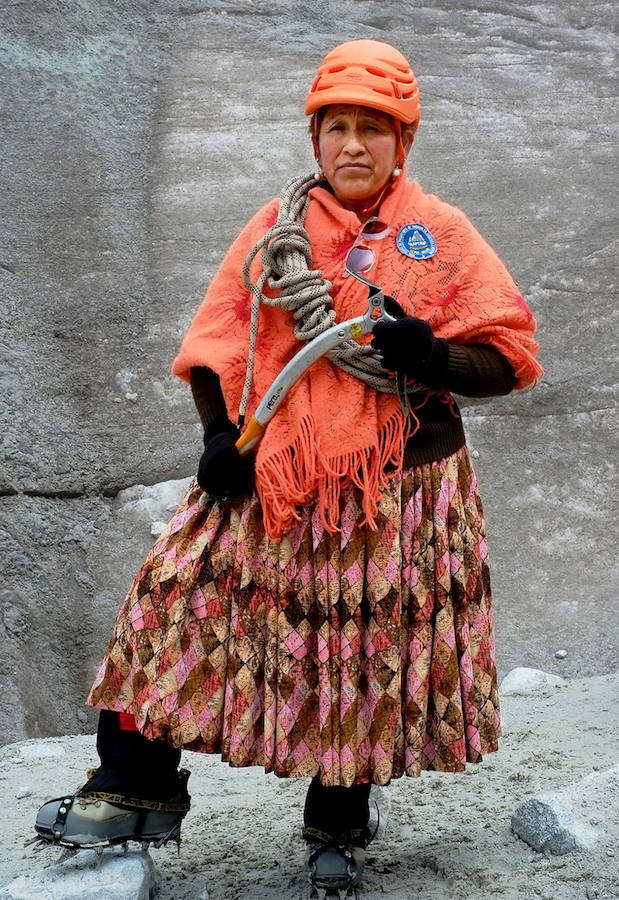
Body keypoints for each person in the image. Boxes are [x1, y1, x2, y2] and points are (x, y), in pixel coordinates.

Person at [35, 39, 543, 897]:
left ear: (400, 141)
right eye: (336, 126)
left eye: (372, 128)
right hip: (273, 471)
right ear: (316, 139)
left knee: (359, 652)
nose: (353, 144)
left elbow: (508, 354)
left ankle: (337, 820)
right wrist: (215, 438)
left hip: (396, 490)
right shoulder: (278, 230)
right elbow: (217, 342)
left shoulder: (440, 235)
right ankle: (134, 788)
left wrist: (430, 355)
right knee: (169, 608)